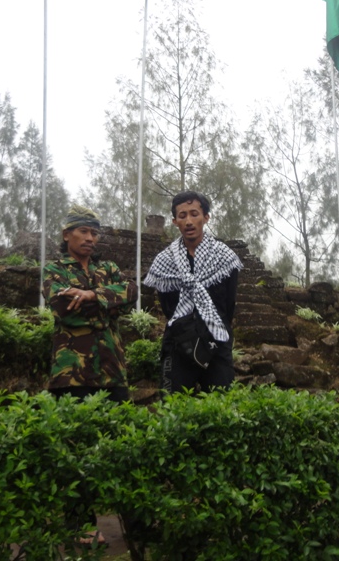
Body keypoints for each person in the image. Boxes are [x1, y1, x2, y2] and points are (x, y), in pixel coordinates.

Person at [41, 204, 137, 546]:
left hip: (112, 371)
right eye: (84, 231)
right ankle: (80, 526)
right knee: (75, 452)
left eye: (95, 233)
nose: (91, 238)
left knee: (126, 443)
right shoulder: (54, 269)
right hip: (72, 374)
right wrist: (104, 306)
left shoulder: (107, 268)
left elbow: (130, 293)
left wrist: (92, 295)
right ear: (67, 234)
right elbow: (64, 309)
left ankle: (136, 524)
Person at [144, 191, 242, 394]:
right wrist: (186, 327)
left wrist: (210, 326)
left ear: (206, 217)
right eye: (182, 216)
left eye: (194, 214)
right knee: (172, 406)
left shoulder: (224, 258)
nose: (188, 221)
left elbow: (228, 304)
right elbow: (167, 306)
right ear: (174, 221)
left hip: (217, 340)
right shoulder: (165, 262)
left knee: (220, 405)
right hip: (177, 342)